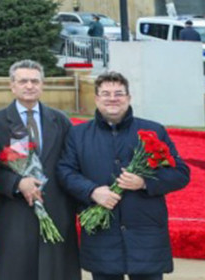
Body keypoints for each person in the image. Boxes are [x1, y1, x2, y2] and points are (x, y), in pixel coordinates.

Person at [58, 70, 190, 280]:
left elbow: (180, 173)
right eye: (106, 94)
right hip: (102, 235)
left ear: (128, 98)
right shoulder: (78, 134)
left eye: (119, 93)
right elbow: (65, 172)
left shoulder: (153, 130)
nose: (112, 99)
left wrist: (144, 182)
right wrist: (92, 191)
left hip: (146, 234)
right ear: (96, 98)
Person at [0, 59, 78, 280]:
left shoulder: (60, 120)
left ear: (42, 85)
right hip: (15, 210)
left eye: (35, 81)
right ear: (12, 86)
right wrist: (17, 183)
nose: (29, 86)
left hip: (56, 207)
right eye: (23, 81)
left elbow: (71, 163)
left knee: (56, 270)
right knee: (19, 269)